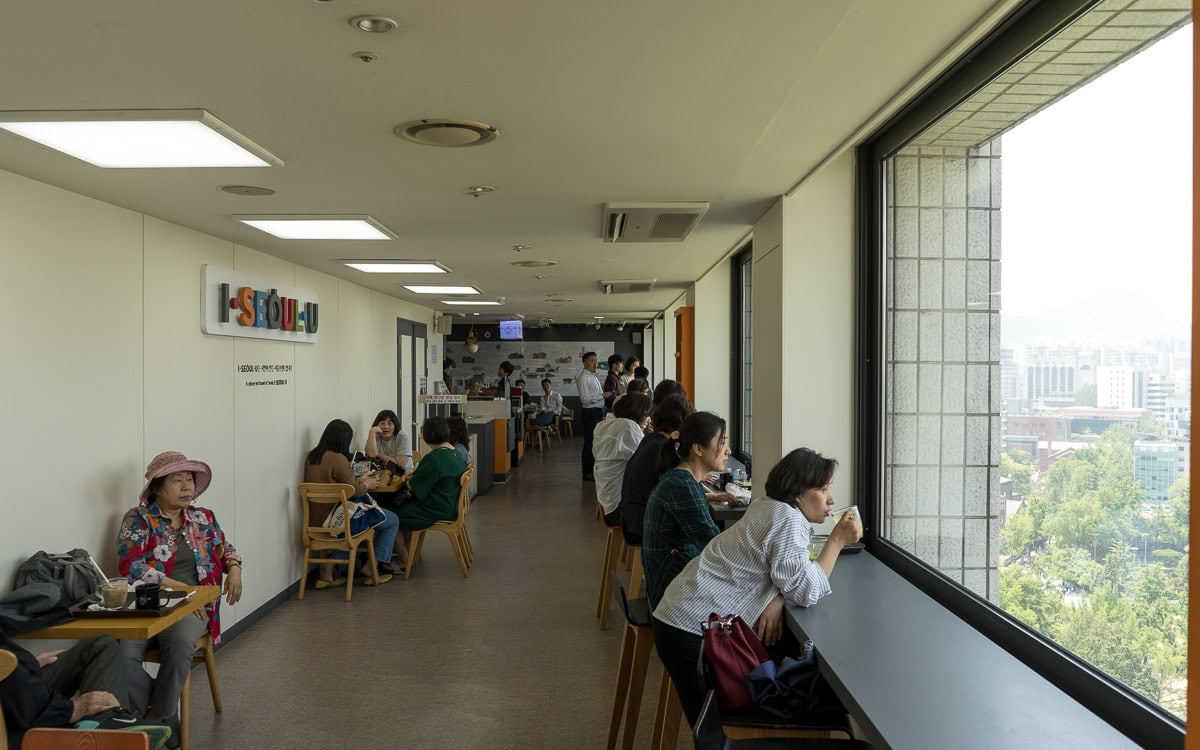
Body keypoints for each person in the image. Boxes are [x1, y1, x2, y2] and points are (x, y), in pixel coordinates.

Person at [651, 448, 863, 725]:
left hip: (683, 614)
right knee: (710, 732)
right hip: (692, 629)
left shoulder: (768, 505)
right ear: (798, 493)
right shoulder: (787, 520)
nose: (831, 500)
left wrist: (777, 597)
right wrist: (837, 541)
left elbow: (778, 573)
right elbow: (805, 591)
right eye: (823, 490)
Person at [116, 451, 244, 742]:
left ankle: (156, 724)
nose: (187, 487)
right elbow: (131, 565)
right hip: (145, 601)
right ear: (157, 487)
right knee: (120, 655)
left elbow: (227, 548)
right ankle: (165, 718)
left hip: (193, 607)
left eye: (190, 479)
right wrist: (180, 588)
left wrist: (234, 568)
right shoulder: (138, 519)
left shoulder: (203, 517)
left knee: (179, 644)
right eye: (178, 480)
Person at [0, 629, 173, 749]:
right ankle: (115, 733)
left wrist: (25, 664)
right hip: (11, 719)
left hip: (12, 679)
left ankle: (109, 721)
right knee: (120, 739)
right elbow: (25, 706)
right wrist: (72, 709)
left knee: (100, 646)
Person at [641, 411, 729, 609]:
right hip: (672, 596)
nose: (728, 451)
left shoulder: (681, 479)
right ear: (698, 448)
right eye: (722, 443)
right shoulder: (682, 486)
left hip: (670, 582)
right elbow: (714, 547)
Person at [304, 420, 401, 582]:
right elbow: (355, 492)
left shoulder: (312, 457)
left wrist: (359, 481)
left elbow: (342, 485)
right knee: (390, 520)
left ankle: (327, 569)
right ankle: (371, 567)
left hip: (314, 521)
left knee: (359, 528)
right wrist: (366, 484)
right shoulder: (338, 459)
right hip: (338, 521)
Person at [391, 417, 469, 562]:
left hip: (436, 508)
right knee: (400, 509)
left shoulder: (434, 458)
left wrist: (407, 479)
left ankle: (405, 558)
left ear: (428, 435)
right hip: (451, 505)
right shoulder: (455, 452)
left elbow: (413, 487)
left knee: (390, 515)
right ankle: (409, 553)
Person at [620, 394, 694, 545]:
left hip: (631, 518)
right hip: (642, 525)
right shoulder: (661, 448)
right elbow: (675, 494)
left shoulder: (652, 440)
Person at [592, 393, 655, 525]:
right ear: (638, 412)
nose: (649, 420)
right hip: (620, 510)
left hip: (606, 504)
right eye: (647, 414)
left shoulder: (602, 425)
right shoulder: (628, 426)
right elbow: (650, 462)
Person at [575, 352, 606, 481]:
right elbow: (584, 399)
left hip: (597, 411)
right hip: (590, 412)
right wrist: (601, 396)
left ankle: (593, 470)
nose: (595, 363)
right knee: (590, 442)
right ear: (585, 362)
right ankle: (587, 472)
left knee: (596, 442)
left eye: (596, 360)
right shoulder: (583, 377)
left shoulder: (592, 376)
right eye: (592, 360)